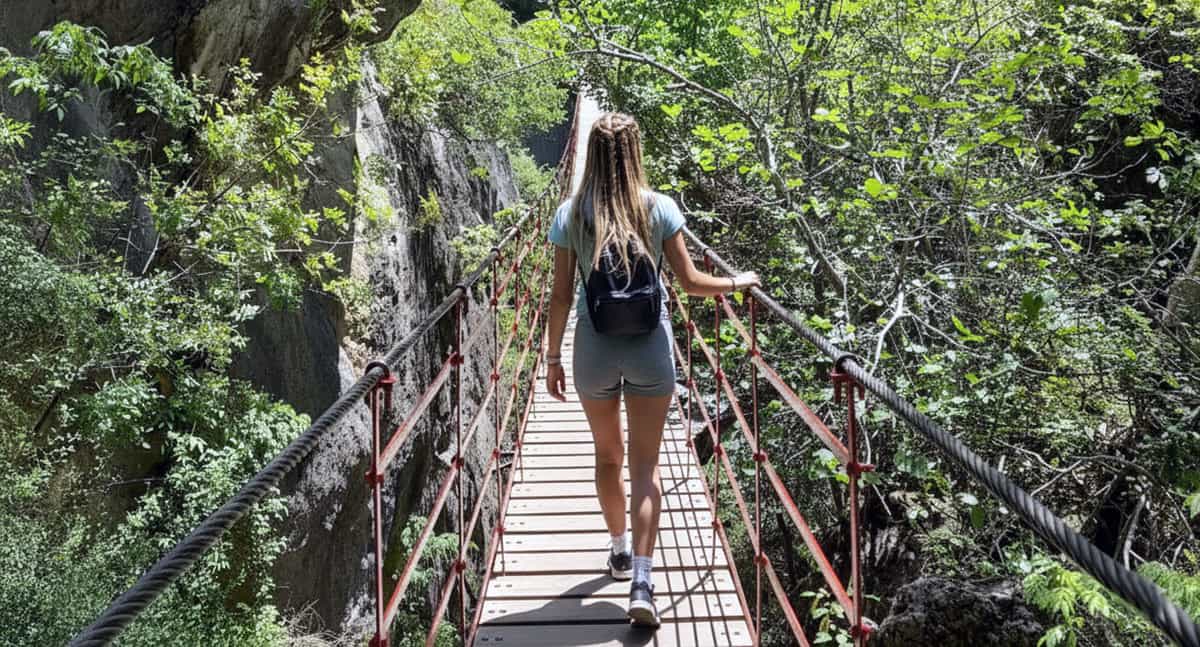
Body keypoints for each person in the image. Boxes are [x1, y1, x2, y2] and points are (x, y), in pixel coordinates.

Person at [544, 112, 760, 628]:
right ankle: (642, 580)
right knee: (646, 467)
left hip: (593, 351)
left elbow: (557, 297)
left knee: (607, 457)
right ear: (636, 152)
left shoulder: (571, 214)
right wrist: (738, 282)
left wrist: (551, 356)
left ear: (592, 156)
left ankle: (617, 550)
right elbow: (689, 283)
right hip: (650, 350)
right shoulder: (659, 208)